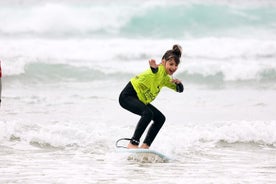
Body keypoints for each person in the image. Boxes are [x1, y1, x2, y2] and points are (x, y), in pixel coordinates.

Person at [119, 44, 184, 149]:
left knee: (160, 118)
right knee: (147, 113)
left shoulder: (165, 78)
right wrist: (153, 68)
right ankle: (133, 144)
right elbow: (153, 71)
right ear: (163, 62)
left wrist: (179, 84)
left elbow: (180, 90)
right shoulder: (157, 69)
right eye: (171, 64)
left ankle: (145, 146)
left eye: (176, 65)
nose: (173, 67)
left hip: (139, 99)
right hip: (128, 96)